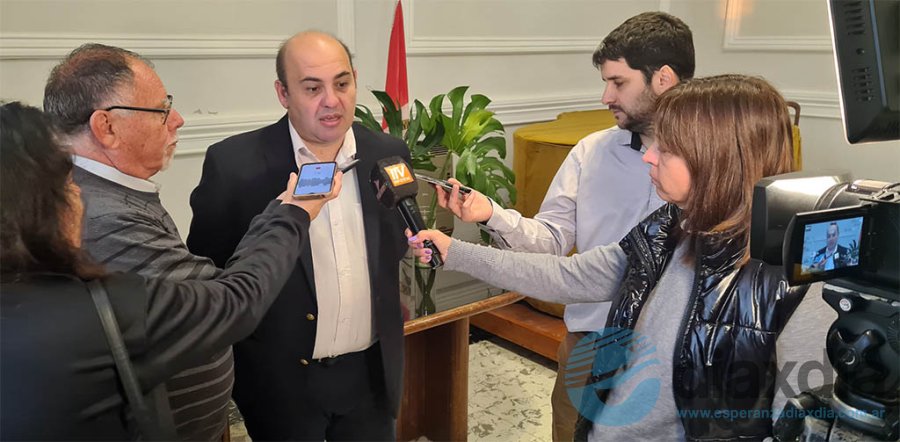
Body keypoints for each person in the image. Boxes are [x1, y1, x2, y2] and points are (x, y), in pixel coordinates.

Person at [410, 75, 836, 441]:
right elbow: (572, 276)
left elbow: (801, 426)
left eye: (666, 149)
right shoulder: (670, 225)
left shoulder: (800, 282)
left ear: (717, 160)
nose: (649, 156)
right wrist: (455, 252)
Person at [0, 102, 341, 439]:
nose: (80, 195)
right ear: (39, 208)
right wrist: (295, 211)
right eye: (68, 183)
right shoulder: (102, 312)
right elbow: (236, 300)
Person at [432, 11, 694, 440]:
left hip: (675, 352)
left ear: (663, 78)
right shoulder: (591, 152)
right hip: (591, 345)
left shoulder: (716, 163)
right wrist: (491, 215)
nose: (606, 95)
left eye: (618, 82)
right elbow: (552, 243)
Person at [186, 31, 409, 440]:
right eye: (312, 88)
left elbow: (393, 249)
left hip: (371, 376)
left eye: (342, 83)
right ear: (283, 93)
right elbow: (208, 278)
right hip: (281, 385)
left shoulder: (387, 152)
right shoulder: (234, 166)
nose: (332, 100)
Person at [41, 43, 233, 441]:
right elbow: (218, 302)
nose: (177, 120)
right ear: (106, 127)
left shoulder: (116, 192)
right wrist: (291, 214)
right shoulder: (100, 212)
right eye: (161, 109)